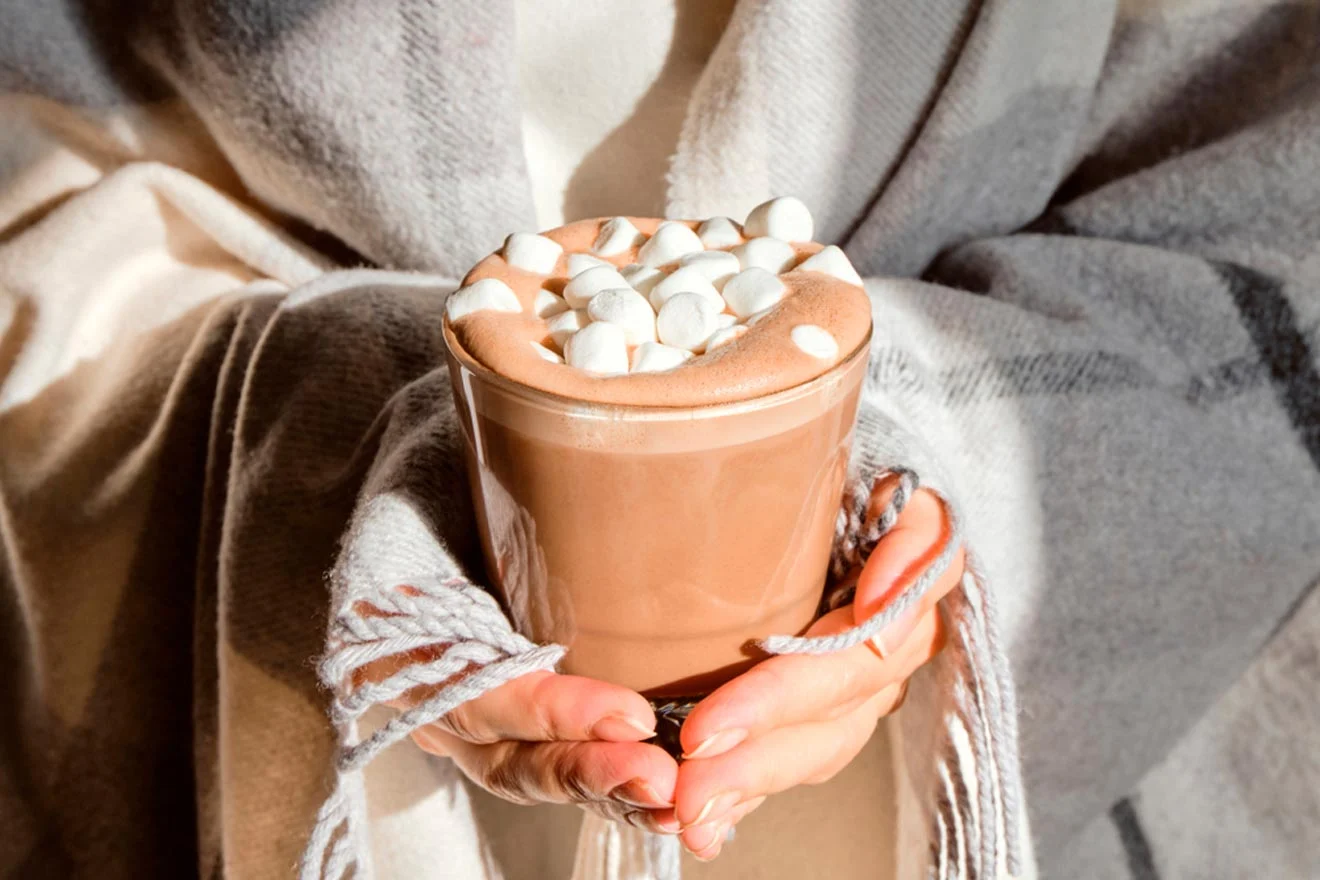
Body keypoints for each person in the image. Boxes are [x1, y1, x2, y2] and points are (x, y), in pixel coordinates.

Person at [2, 1, 1318, 878]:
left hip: (993, 779)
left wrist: (929, 478)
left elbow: (1285, 204)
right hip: (356, 760)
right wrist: (338, 452)